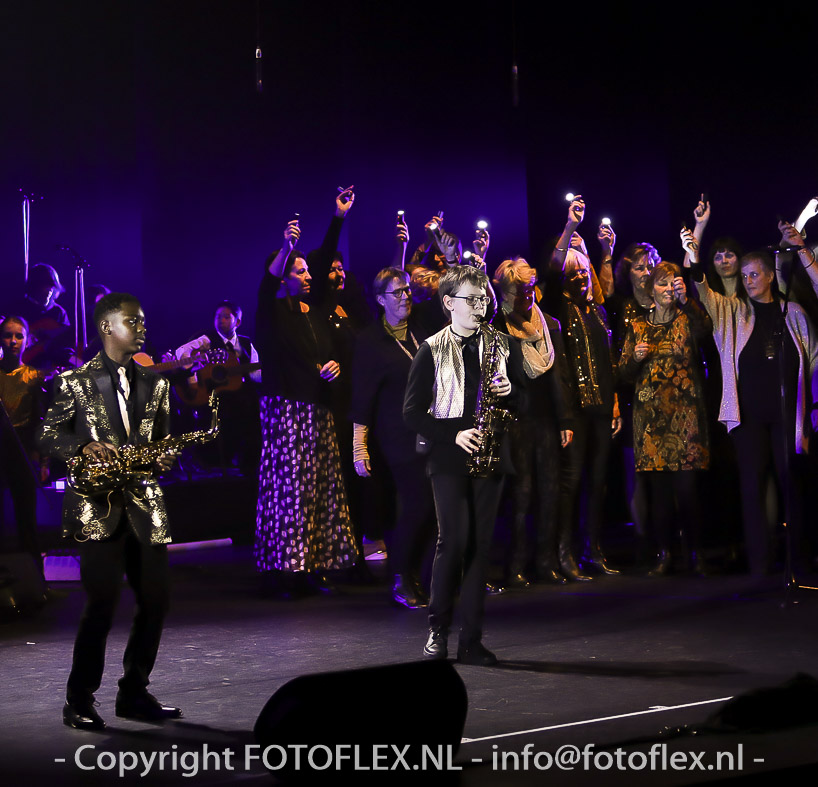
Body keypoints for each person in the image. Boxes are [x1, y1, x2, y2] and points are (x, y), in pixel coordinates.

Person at [38, 292, 181, 730]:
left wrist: (165, 456)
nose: (142, 328)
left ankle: (133, 693)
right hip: (96, 508)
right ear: (107, 327)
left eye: (142, 321)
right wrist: (83, 445)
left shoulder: (157, 385)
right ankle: (79, 699)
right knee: (101, 601)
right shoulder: (74, 383)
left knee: (156, 600)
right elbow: (47, 437)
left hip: (145, 505)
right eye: (133, 321)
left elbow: (164, 442)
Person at [404, 265, 524, 666]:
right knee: (453, 541)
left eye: (483, 298)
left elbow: (525, 402)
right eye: (471, 299)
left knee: (479, 548)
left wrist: (512, 390)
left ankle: (471, 640)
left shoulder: (503, 344)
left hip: (491, 455)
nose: (479, 305)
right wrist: (453, 434)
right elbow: (412, 413)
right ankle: (438, 629)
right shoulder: (431, 348)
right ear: (448, 303)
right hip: (449, 459)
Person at [687, 231, 818, 576]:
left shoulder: (793, 312)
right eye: (744, 276)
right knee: (752, 487)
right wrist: (695, 254)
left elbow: (813, 360)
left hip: (788, 415)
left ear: (770, 276)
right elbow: (703, 291)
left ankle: (799, 561)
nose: (748, 281)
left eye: (754, 274)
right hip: (748, 417)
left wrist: (812, 412)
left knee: (792, 484)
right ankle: (760, 565)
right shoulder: (732, 310)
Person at [254, 192, 359, 594]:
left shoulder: (313, 311)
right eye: (300, 271)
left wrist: (338, 217)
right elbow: (266, 286)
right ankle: (286, 569)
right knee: (292, 491)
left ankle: (315, 562)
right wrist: (287, 247)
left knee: (321, 489)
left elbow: (325, 256)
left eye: (307, 270)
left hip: (318, 410)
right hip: (286, 411)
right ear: (284, 277)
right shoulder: (272, 312)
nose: (309, 275)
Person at [618, 262, 712, 574]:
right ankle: (664, 554)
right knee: (659, 495)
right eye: (662, 283)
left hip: (685, 418)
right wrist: (635, 358)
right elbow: (623, 373)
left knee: (687, 491)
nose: (668, 288)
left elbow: (706, 330)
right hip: (651, 421)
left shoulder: (687, 319)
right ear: (651, 290)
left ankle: (695, 554)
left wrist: (688, 300)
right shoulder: (638, 326)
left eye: (674, 283)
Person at [350, 267, 435, 608]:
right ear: (380, 299)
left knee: (437, 508)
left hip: (432, 432)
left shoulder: (419, 330)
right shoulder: (370, 341)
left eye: (407, 290)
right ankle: (401, 576)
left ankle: (425, 577)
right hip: (398, 437)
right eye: (397, 292)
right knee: (418, 504)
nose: (405, 297)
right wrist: (359, 446)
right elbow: (362, 397)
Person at [491, 259, 574, 585]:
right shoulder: (498, 326)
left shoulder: (548, 323)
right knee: (521, 495)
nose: (527, 297)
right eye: (519, 292)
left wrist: (565, 419)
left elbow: (559, 376)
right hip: (516, 419)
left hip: (546, 418)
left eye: (529, 290)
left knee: (550, 491)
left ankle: (545, 561)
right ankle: (515, 565)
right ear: (505, 292)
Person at [556, 248, 622, 580]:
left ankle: (592, 549)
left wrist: (615, 403)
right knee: (572, 481)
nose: (580, 277)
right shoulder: (559, 310)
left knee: (598, 480)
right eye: (573, 272)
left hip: (602, 405)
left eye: (584, 271)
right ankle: (564, 551)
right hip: (575, 409)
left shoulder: (598, 310)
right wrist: (571, 229)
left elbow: (608, 358)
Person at [174, 300, 261, 475]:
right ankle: (213, 460)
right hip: (212, 394)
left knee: (254, 406)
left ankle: (248, 463)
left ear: (238, 321)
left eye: (226, 317)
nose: (221, 320)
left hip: (242, 396)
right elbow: (181, 351)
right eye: (217, 316)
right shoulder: (207, 339)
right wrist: (193, 374)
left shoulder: (246, 343)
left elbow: (256, 375)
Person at [0, 316, 48, 570]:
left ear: (27, 341)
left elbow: (41, 423)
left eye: (19, 336)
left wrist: (43, 460)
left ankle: (35, 575)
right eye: (8, 335)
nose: (13, 341)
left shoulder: (34, 376)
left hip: (23, 449)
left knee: (26, 517)